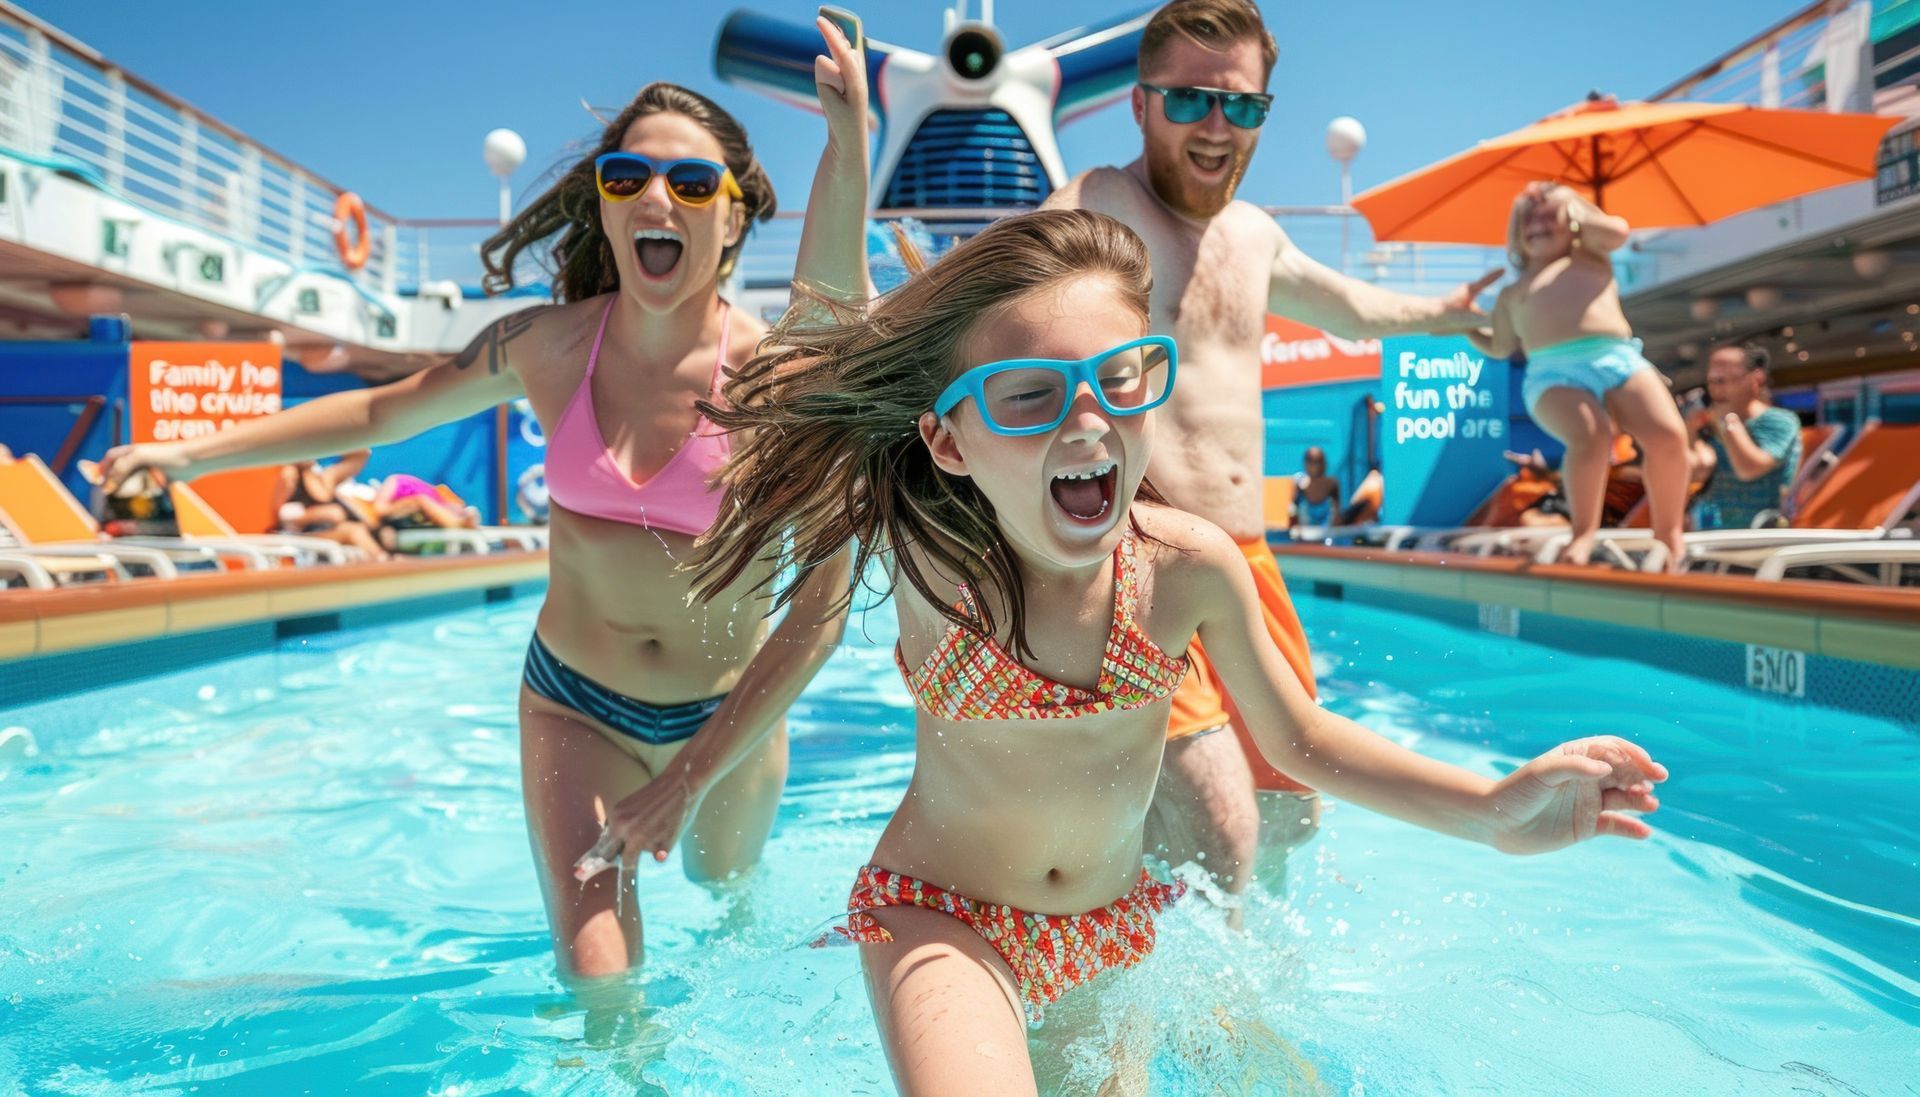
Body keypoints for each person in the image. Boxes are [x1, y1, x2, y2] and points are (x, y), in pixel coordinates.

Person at [687, 22, 1669, 1092]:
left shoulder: (1188, 564)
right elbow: (829, 336)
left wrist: (1490, 809)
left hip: (1110, 933)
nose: (1085, 422)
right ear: (949, 440)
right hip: (945, 919)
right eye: (1030, 396)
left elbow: (1303, 739)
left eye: (1119, 381)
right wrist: (848, 144)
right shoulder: (937, 553)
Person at [100, 81, 852, 986]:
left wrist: (691, 774)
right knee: (599, 977)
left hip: (729, 721)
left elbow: (823, 606)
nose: (657, 198)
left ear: (732, 219)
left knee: (734, 909)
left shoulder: (776, 383)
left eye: (692, 183)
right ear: (605, 208)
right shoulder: (544, 347)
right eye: (628, 178)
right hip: (578, 705)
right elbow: (381, 412)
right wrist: (185, 456)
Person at [1042, 0, 1504, 917]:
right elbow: (990, 284)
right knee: (1220, 826)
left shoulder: (1254, 234)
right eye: (1191, 102)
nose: (1218, 126)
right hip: (1143, 556)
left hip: (1250, 563)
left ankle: (1245, 994)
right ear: (1139, 105)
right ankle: (1175, 1022)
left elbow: (1356, 309)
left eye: (1243, 107)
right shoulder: (1099, 205)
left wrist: (1450, 311)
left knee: (1292, 814)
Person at [1468, 181, 1692, 570]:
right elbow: (1500, 347)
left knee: (1670, 437)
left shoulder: (1591, 256)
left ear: (1572, 220)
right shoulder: (1512, 293)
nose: (1539, 224)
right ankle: (1583, 533)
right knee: (1591, 436)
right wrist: (1465, 325)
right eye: (1529, 220)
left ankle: (1668, 532)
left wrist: (1568, 200)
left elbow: (1619, 230)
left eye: (1548, 216)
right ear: (1517, 234)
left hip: (1617, 357)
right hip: (1553, 374)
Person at [1687, 343, 1802, 530]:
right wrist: (1689, 432)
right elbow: (1690, 474)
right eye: (1712, 381)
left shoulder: (1779, 421)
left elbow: (1748, 469)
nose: (1716, 389)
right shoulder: (1707, 424)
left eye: (1724, 380)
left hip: (1759, 535)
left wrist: (1727, 423)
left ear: (1756, 380)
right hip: (1709, 537)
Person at [272, 451, 388, 561]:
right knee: (353, 531)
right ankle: (383, 562)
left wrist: (334, 438)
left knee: (363, 531)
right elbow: (280, 514)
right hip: (300, 536)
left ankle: (381, 562)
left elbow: (362, 454)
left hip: (329, 532)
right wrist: (314, 515)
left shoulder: (325, 477)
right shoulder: (291, 474)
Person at [1290, 445, 1341, 530]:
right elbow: (1292, 513)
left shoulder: (1332, 485)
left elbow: (1338, 516)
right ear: (1305, 463)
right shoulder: (1299, 483)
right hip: (1304, 537)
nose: (1316, 465)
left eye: (1320, 461)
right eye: (1311, 461)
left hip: (1327, 536)